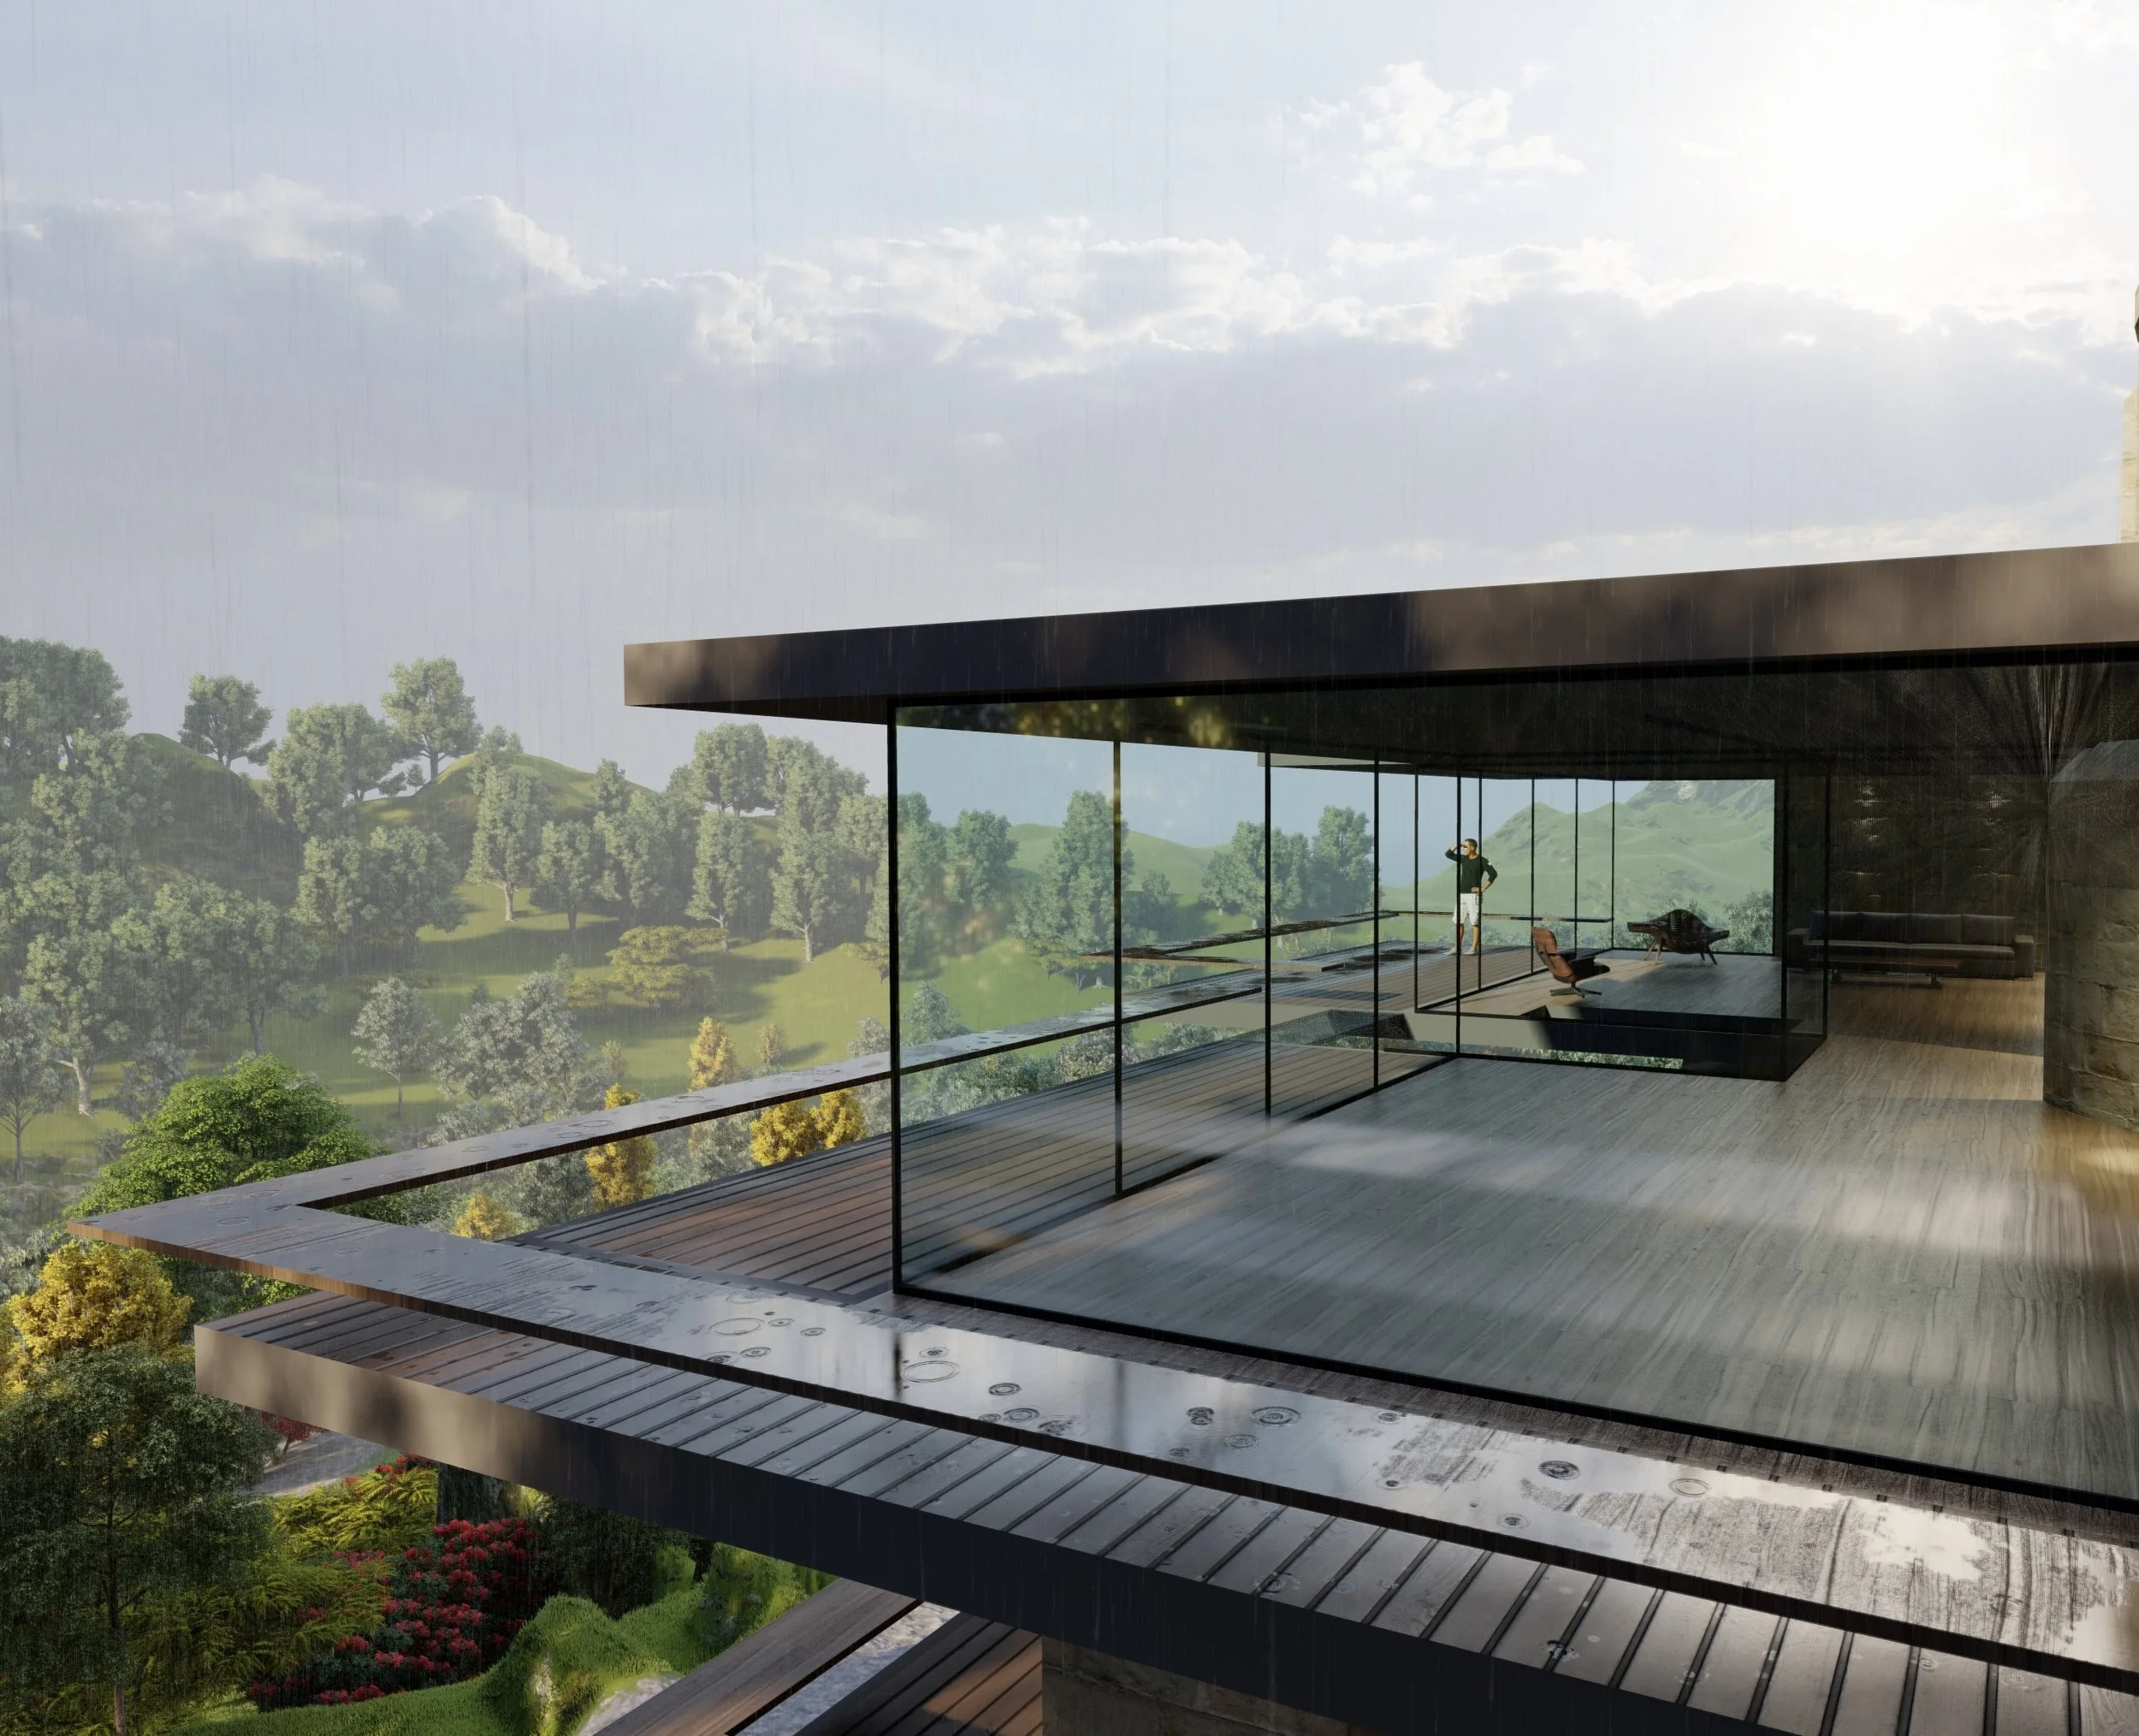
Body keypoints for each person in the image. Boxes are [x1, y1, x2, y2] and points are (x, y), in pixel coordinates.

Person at [1446, 838, 1496, 956]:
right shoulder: (1463, 859)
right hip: (1462, 895)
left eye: (1465, 847)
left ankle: (1474, 949)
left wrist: (1483, 888)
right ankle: (1457, 948)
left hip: (1474, 896)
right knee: (1458, 921)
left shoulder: (1482, 861)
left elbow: (1493, 874)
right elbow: (1448, 854)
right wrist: (1458, 845)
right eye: (1463, 847)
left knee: (1475, 922)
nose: (1463, 849)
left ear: (1473, 848)